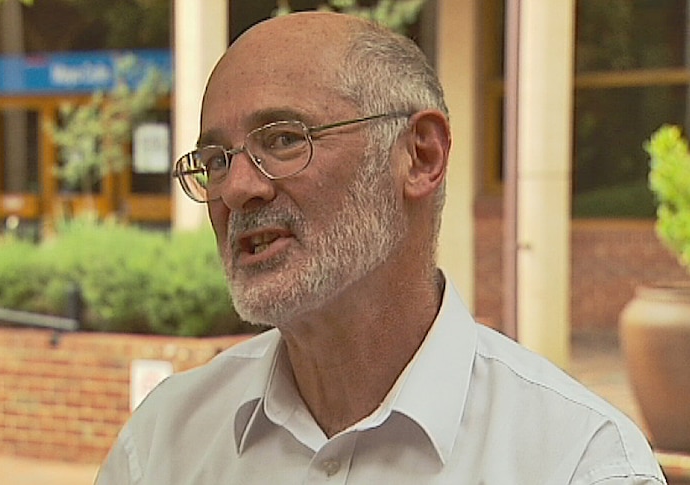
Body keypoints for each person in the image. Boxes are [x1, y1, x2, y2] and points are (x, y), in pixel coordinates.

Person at [95, 11, 665, 484]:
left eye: (285, 139)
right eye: (216, 161)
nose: (239, 188)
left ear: (420, 156)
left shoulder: (580, 461)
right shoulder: (162, 446)